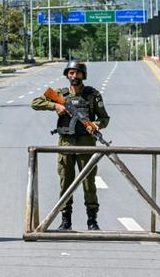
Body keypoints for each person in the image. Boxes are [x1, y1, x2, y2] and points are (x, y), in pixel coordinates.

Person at [31, 61, 110, 231]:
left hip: (86, 145)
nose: (74, 76)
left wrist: (95, 125)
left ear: (83, 75)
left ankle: (92, 220)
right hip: (65, 145)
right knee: (65, 183)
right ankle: (65, 220)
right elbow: (35, 103)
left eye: (77, 73)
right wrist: (55, 106)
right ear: (67, 75)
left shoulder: (92, 95)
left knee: (89, 183)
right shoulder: (60, 94)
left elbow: (105, 118)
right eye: (71, 73)